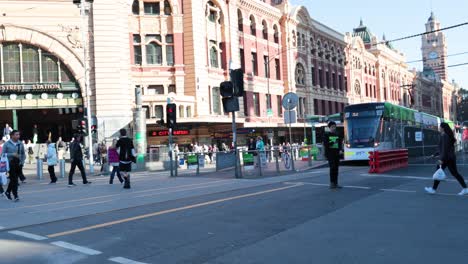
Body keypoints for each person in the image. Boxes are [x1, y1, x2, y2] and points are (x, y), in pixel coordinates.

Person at [425, 122, 468, 195]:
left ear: (443, 128)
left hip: (445, 158)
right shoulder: (448, 135)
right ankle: (465, 188)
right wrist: (435, 154)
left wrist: (441, 159)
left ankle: (433, 189)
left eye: (440, 127)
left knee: (439, 172)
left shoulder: (444, 136)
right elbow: (443, 148)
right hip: (450, 157)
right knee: (454, 173)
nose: (439, 128)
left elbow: (444, 149)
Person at [1, 130, 25, 201]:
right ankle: (16, 195)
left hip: (18, 164)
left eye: (19, 135)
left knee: (13, 179)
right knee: (14, 180)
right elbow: (2, 154)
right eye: (16, 135)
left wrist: (22, 162)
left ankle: (8, 192)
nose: (18, 136)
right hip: (10, 164)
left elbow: (23, 154)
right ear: (12, 136)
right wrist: (12, 154)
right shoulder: (7, 144)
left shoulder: (20, 143)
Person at [323, 121, 343, 189]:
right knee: (332, 168)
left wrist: (340, 150)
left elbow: (340, 143)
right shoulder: (326, 135)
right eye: (332, 127)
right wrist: (333, 142)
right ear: (329, 128)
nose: (334, 128)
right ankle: (332, 183)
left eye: (334, 127)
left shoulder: (337, 134)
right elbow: (326, 144)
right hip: (330, 154)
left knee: (336, 168)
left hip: (337, 154)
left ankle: (336, 183)